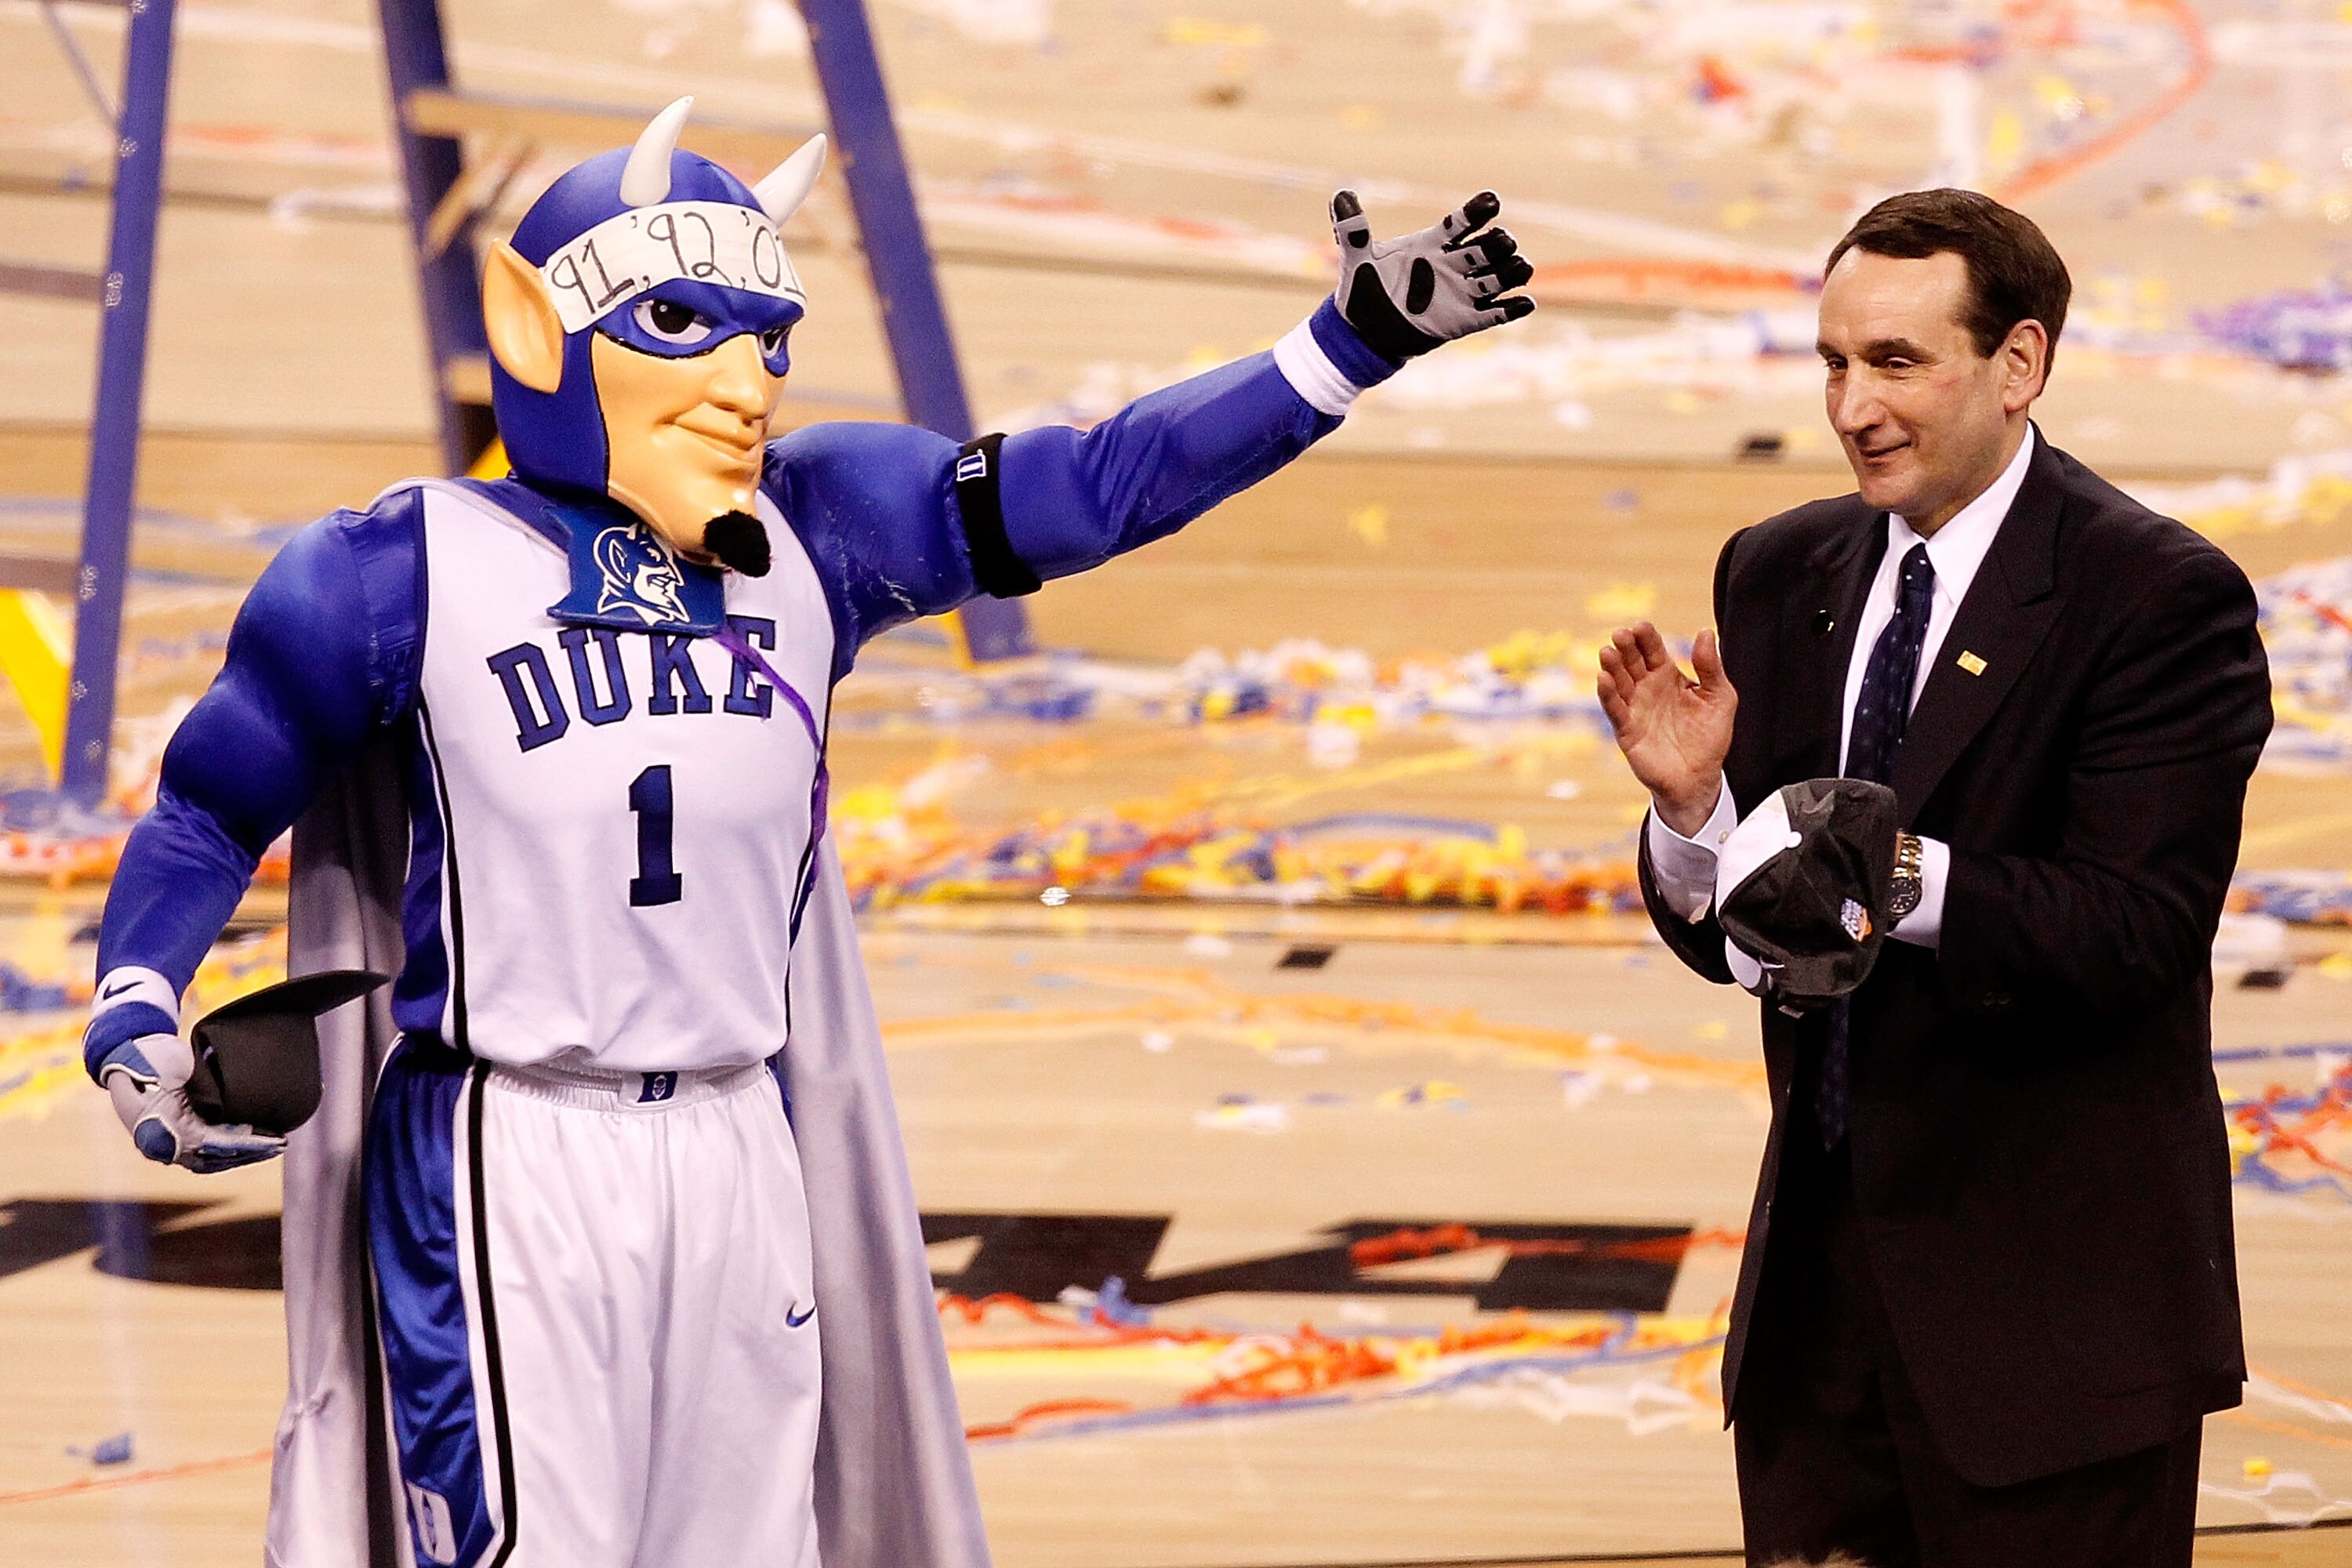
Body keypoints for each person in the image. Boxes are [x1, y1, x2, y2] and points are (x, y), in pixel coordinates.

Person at [79, 97, 1535, 1568]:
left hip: (737, 1140)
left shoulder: (823, 526)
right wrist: (136, 1001)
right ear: (537, 333)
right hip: (507, 1148)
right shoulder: (391, 573)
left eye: (768, 335)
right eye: (680, 324)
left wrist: (1339, 350)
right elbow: (212, 804)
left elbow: (1095, 486)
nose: (746, 379)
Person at [1597, 187, 2270, 1567]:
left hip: (2052, 1337)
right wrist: (1696, 815)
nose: (1852, 407)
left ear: (2018, 365)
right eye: (1835, 362)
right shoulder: (1780, 572)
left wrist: (1885, 873)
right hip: (1815, 1329)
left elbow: (2135, 935)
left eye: (1897, 363)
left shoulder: (2154, 599)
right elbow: (1763, 939)